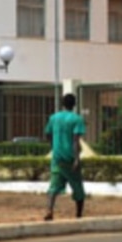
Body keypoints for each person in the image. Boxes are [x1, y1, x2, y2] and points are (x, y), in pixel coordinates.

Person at [44, 93, 86, 221]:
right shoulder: (77, 119)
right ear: (74, 105)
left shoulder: (53, 118)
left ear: (62, 104)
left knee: (53, 187)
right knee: (78, 189)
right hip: (70, 159)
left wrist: (54, 147)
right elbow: (75, 140)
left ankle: (49, 210)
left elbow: (48, 134)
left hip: (57, 158)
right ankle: (78, 215)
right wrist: (77, 158)